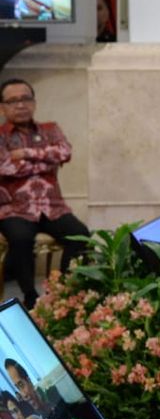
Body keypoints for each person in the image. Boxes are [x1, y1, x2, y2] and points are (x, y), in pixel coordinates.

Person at [0, 80, 90, 309]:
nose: (21, 105)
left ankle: (64, 291)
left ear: (34, 103)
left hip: (53, 207)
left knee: (80, 235)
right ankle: (29, 295)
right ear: (2, 107)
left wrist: (25, 154)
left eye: (25, 99)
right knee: (20, 239)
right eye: (13, 101)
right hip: (15, 208)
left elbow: (64, 151)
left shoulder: (51, 129)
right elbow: (4, 167)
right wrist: (43, 160)